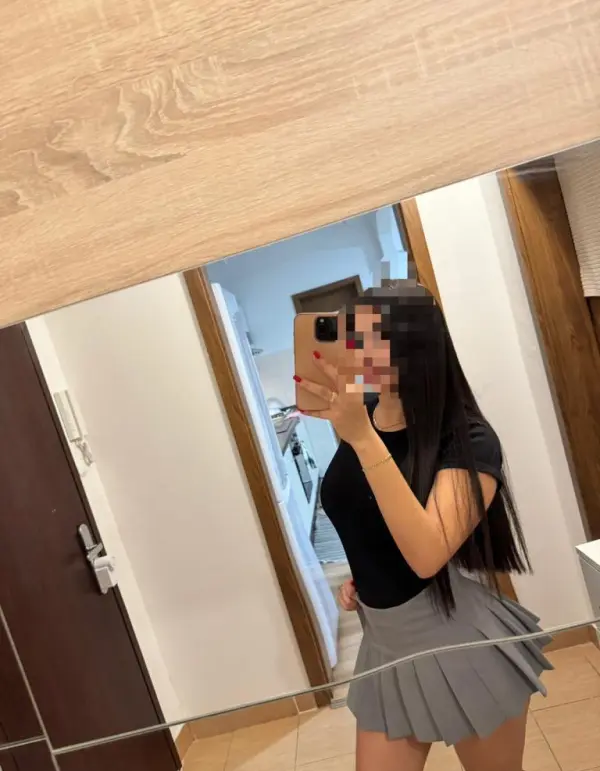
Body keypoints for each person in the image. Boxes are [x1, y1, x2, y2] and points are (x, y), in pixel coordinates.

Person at [294, 282, 552, 771]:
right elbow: (367, 509)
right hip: (384, 643)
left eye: (376, 339)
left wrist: (362, 439)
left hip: (456, 639)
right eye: (356, 337)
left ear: (416, 344)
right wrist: (367, 574)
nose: (360, 352)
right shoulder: (365, 415)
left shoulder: (469, 439)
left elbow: (429, 553)